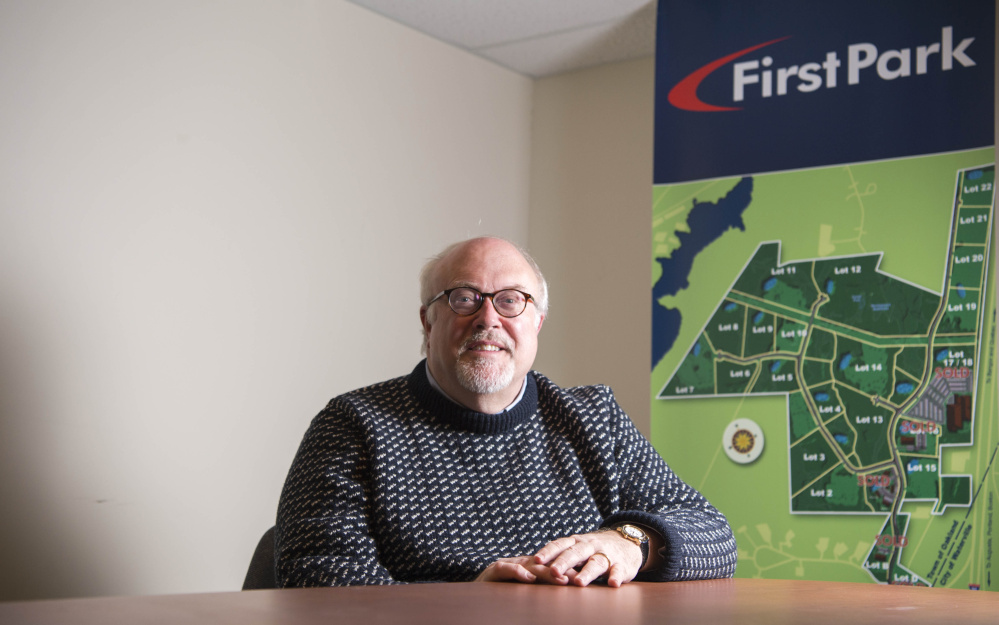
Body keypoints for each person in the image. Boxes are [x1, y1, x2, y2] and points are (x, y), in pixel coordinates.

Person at [276, 237, 737, 587]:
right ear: (427, 320)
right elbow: (317, 580)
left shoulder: (593, 416)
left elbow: (715, 536)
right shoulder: (353, 425)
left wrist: (632, 541)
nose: (488, 318)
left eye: (511, 299)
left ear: (537, 322)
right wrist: (469, 604)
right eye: (464, 297)